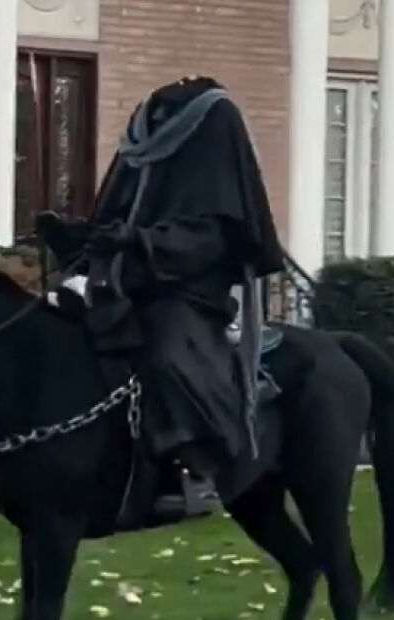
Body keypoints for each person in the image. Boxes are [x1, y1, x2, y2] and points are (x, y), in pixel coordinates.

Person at [36, 75, 284, 504]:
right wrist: (76, 238)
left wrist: (139, 242)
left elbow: (212, 238)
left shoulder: (213, 132)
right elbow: (114, 220)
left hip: (188, 288)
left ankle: (195, 467)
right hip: (126, 280)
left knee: (166, 351)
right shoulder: (141, 140)